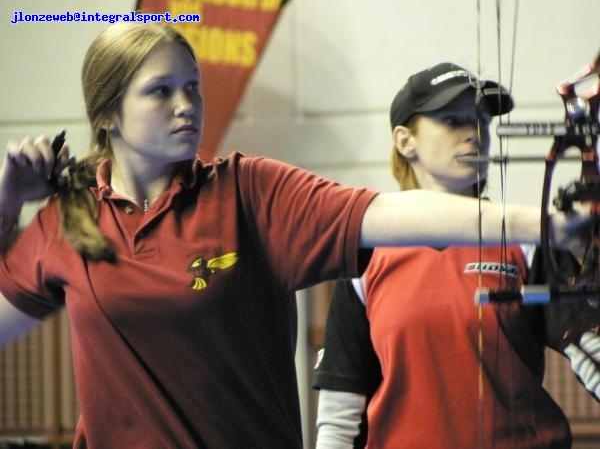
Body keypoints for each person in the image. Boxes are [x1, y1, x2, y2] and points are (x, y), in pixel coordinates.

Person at [0, 25, 588, 448]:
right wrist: (6, 204)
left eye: (194, 86)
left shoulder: (248, 191)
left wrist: (545, 223)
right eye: (160, 91)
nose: (187, 106)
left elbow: (390, 213)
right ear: (107, 115)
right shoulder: (64, 220)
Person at [312, 63, 600, 449]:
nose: (474, 133)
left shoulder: (525, 240)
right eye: (452, 120)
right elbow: (339, 413)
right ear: (404, 141)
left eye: (481, 120)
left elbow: (585, 346)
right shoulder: (365, 257)